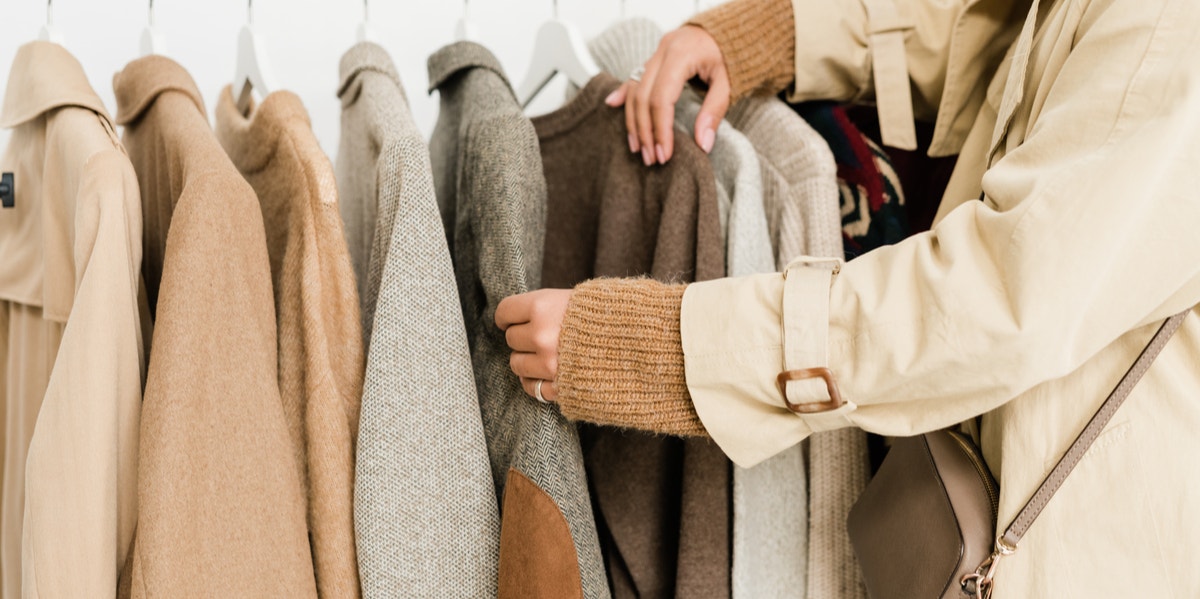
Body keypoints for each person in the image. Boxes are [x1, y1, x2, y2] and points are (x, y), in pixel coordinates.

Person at [495, 0, 1200, 595]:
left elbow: (997, 300)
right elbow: (995, 33)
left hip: (1082, 554)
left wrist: (667, 346)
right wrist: (782, 35)